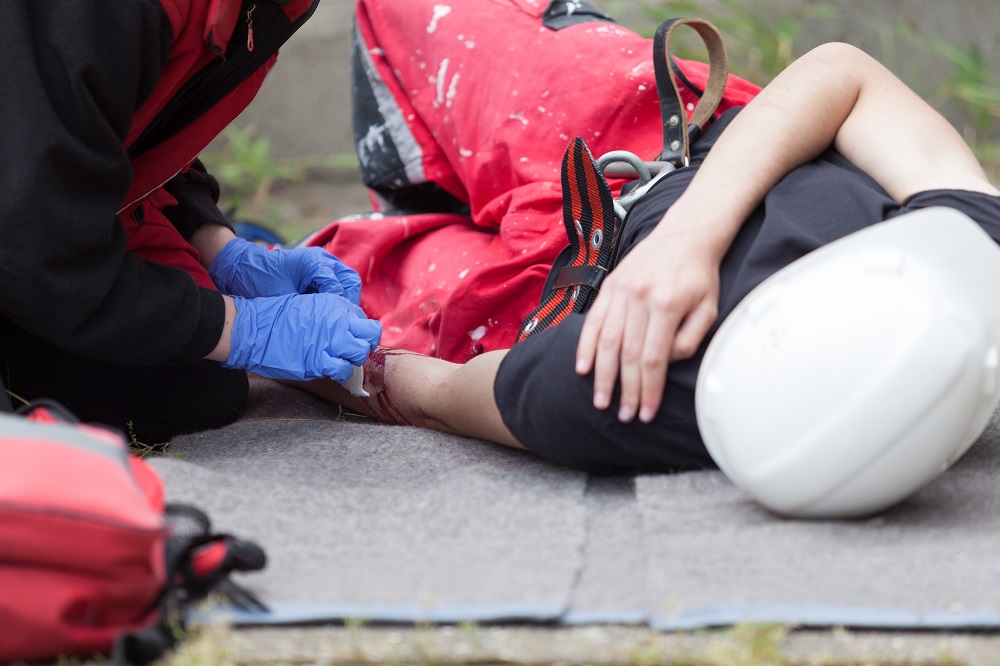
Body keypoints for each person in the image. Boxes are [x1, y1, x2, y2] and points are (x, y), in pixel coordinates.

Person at [290, 10, 1000, 475]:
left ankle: (416, 196)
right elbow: (843, 75)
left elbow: (438, 392)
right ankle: (430, 167)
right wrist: (689, 237)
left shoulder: (640, 396)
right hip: (657, 138)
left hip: (552, 293)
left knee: (315, 289)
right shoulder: (968, 261)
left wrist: (365, 371)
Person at [0, 0, 381, 442]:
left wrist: (215, 242)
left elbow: (121, 130)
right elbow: (33, 231)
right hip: (26, 231)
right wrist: (239, 327)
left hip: (34, 203)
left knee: (191, 386)